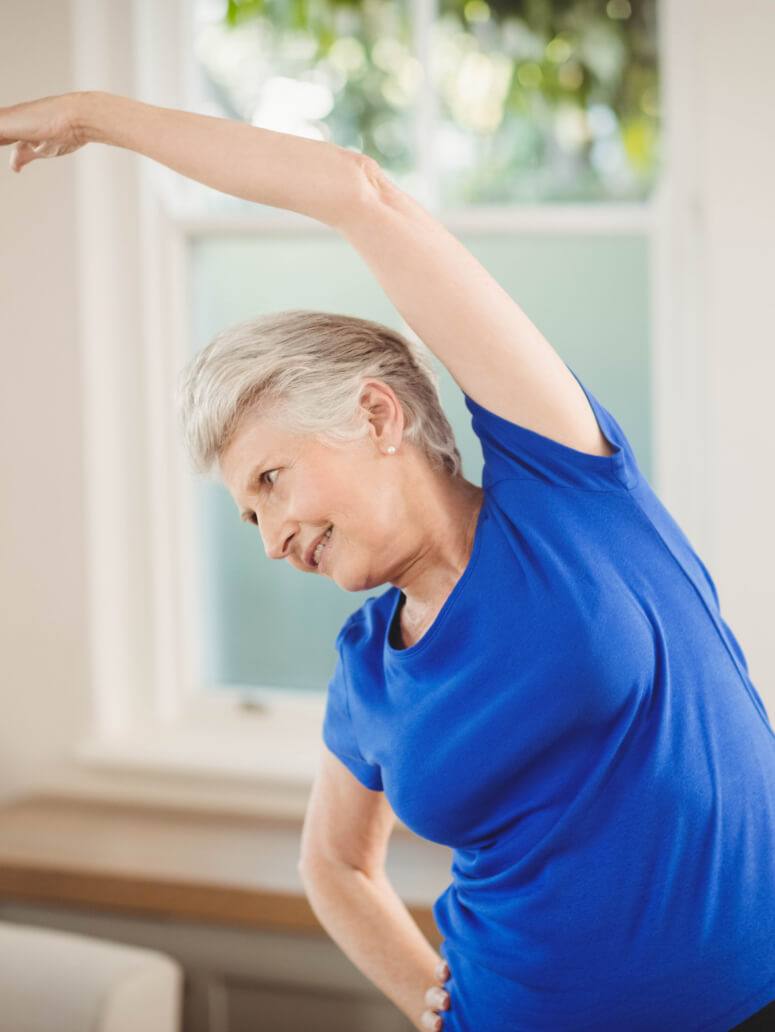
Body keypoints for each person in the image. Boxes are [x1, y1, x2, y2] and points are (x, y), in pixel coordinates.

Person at [3, 90, 774, 1032]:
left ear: (376, 415)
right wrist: (427, 1001)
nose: (272, 536)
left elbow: (358, 195)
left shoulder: (566, 490)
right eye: (249, 516)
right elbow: (330, 863)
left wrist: (93, 116)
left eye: (273, 480)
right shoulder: (368, 663)